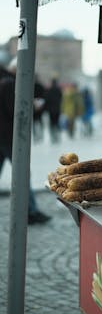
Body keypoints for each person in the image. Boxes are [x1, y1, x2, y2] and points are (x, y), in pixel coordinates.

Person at [0, 58, 51, 225]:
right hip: (8, 136)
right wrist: (32, 107)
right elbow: (16, 112)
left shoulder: (5, 81)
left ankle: (30, 210)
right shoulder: (9, 84)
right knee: (23, 173)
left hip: (4, 135)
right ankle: (30, 211)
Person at [45, 77, 62, 143]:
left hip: (51, 110)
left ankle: (52, 137)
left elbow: (47, 99)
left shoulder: (49, 90)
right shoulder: (58, 90)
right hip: (57, 109)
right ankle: (57, 137)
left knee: (51, 123)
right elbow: (61, 99)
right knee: (57, 123)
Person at [33, 77, 46, 143]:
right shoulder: (41, 86)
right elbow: (44, 96)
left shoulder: (31, 86)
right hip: (40, 106)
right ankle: (41, 136)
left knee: (34, 122)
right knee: (40, 121)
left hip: (33, 106)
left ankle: (36, 136)